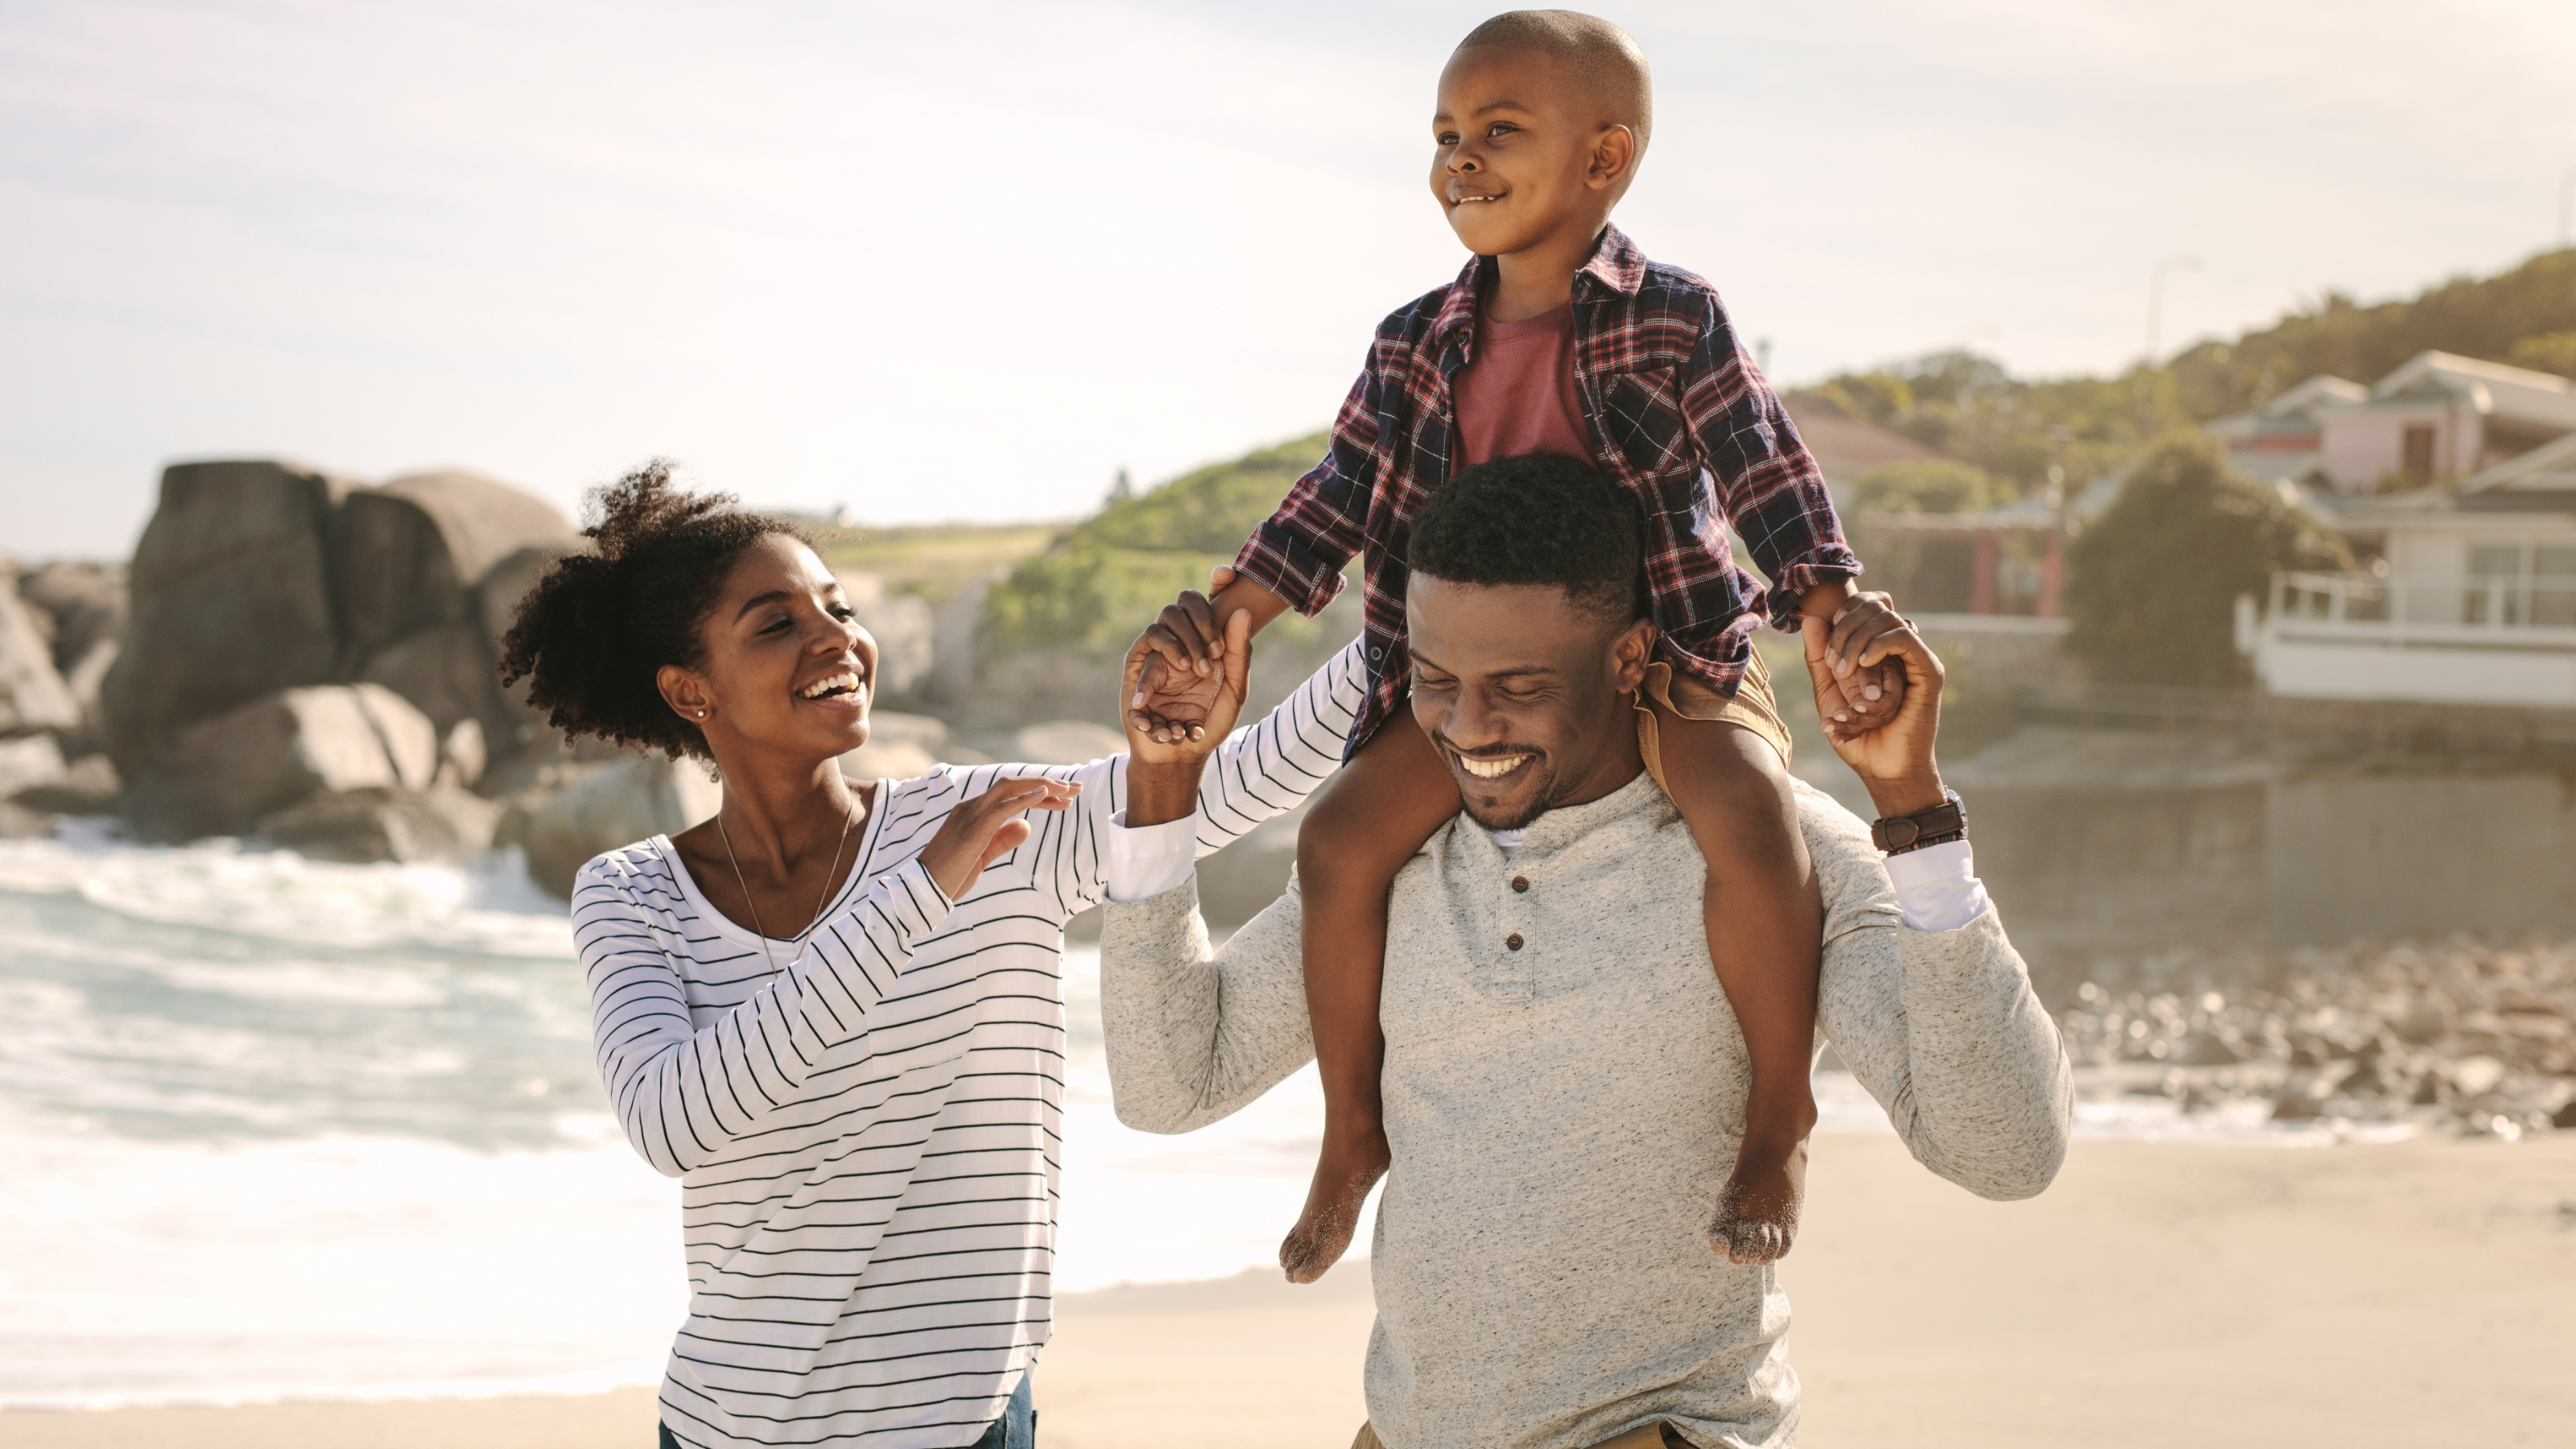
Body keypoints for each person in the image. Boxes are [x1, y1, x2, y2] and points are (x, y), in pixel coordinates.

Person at [1127, 9, 1912, 1282]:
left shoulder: (1672, 318)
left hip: (1663, 655)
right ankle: (1349, 1133)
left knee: (1751, 820)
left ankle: (1779, 1119)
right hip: (1471, 685)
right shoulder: (1414, 338)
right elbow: (1335, 493)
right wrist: (1240, 608)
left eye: (1500, 131)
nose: (1461, 160)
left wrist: (1824, 597)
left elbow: (1761, 466)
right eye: (1444, 135)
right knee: (1334, 842)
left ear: (1606, 159)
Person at [1100, 456, 2070, 1449]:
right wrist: (1165, 786)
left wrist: (1911, 806)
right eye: (1437, 682)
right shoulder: (1387, 860)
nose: (1468, 727)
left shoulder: (1775, 858)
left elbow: (2005, 1154)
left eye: (1519, 686)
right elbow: (1171, 1085)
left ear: (1626, 656)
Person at [497, 464, 1373, 1449]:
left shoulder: (988, 822)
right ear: (689, 689)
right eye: (775, 623)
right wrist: (918, 892)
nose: (836, 639)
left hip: (957, 1426)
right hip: (725, 1427)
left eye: (839, 607)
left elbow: (1234, 779)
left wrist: (1420, 614)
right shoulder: (632, 894)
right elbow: (675, 1123)